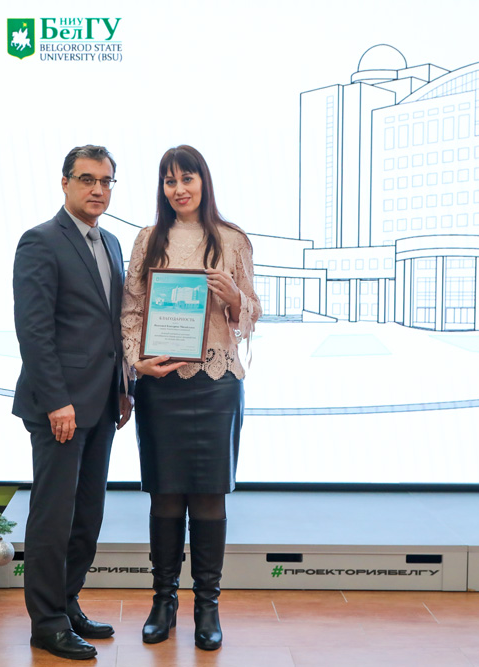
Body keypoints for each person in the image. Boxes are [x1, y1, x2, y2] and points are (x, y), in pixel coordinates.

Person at [121, 145, 261, 651]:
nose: (179, 189)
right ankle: (163, 602)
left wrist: (234, 297)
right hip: (161, 385)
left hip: (216, 382)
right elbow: (131, 311)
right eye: (170, 181)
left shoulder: (233, 239)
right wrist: (137, 361)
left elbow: (252, 313)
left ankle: (207, 606)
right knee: (164, 495)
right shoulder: (148, 239)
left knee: (208, 495)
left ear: (204, 181)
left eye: (187, 178)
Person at [12, 145, 133, 661]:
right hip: (58, 408)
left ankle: (67, 603)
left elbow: (113, 326)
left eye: (106, 181)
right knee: (53, 519)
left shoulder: (112, 243)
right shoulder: (40, 241)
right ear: (65, 183)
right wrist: (57, 401)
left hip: (102, 403)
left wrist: (124, 386)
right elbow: (34, 330)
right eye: (87, 179)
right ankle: (47, 623)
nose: (97, 190)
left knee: (87, 516)